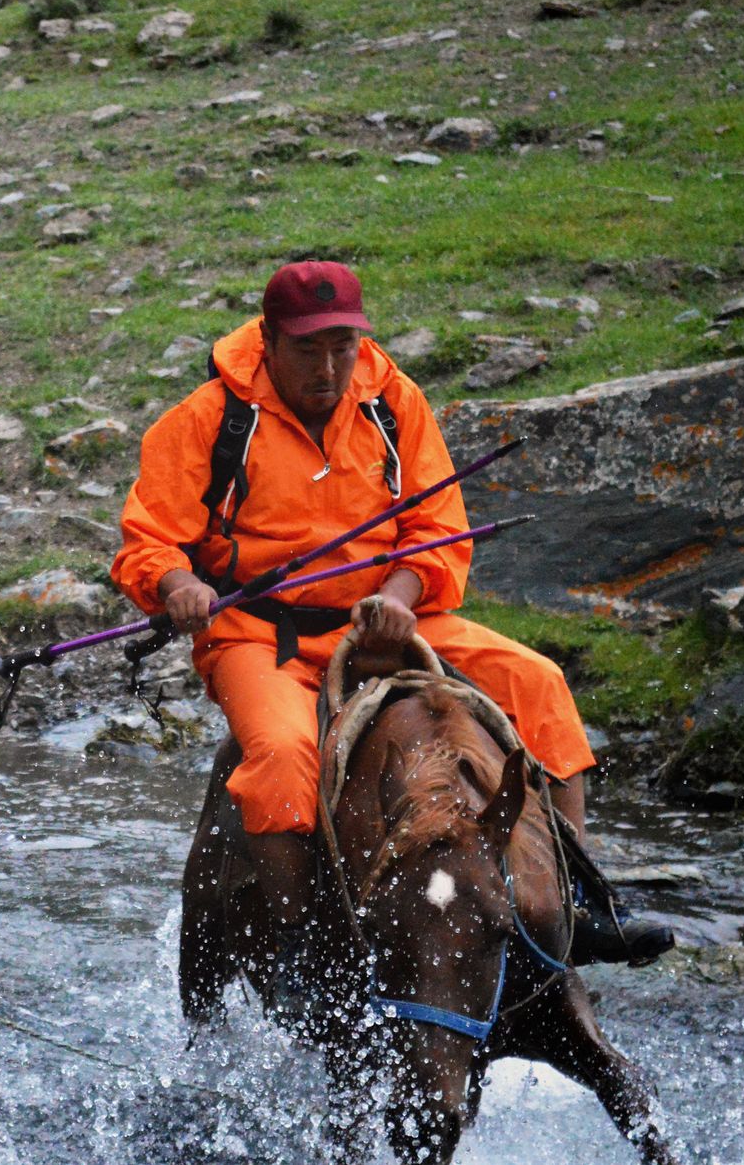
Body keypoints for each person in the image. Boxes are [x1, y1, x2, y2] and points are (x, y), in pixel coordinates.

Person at [111, 260, 672, 978]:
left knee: (541, 685)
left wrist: (398, 605)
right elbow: (149, 538)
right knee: (281, 758)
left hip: (391, 618)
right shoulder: (205, 419)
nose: (330, 366)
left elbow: (436, 529)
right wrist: (177, 581)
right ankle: (301, 946)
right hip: (260, 633)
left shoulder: (393, 401)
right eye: (309, 349)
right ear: (269, 340)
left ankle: (574, 904)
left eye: (343, 345)